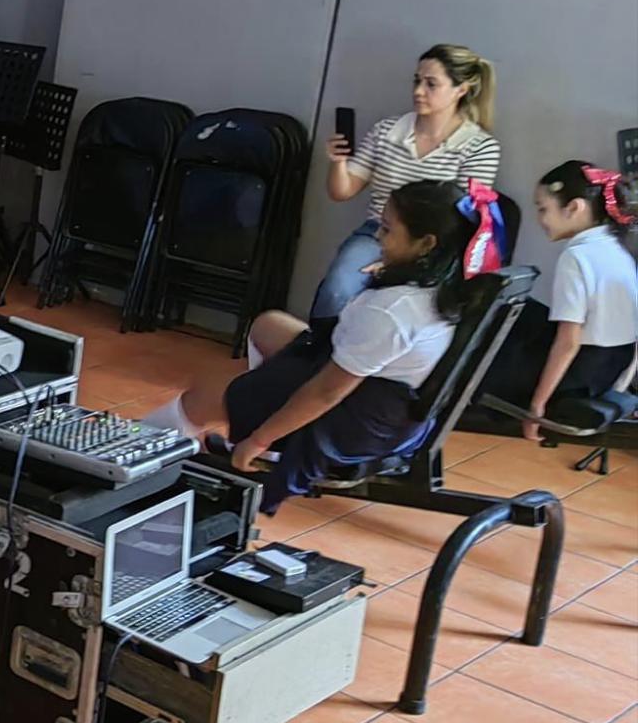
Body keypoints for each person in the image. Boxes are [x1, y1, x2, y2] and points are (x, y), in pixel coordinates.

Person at [146, 179, 488, 510]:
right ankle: (252, 414)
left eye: (387, 229)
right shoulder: (445, 285)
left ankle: (138, 452)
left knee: (203, 394)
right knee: (268, 325)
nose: (378, 237)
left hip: (352, 416)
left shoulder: (394, 311)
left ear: (426, 244)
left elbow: (327, 392)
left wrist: (259, 439)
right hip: (381, 394)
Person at [312, 44, 500, 325]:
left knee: (406, 309)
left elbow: (463, 218)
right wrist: (338, 161)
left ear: (461, 89)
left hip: (432, 245)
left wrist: (400, 262)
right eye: (417, 81)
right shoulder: (388, 130)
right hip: (379, 232)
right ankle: (313, 353)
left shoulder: (479, 146)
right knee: (338, 289)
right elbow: (342, 191)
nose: (418, 91)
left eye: (431, 84)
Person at [480, 160, 638, 436]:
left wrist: (536, 408)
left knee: (492, 327)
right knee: (522, 311)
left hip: (576, 377)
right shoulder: (617, 245)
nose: (540, 219)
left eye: (543, 209)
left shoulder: (576, 257)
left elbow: (568, 342)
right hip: (608, 367)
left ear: (574, 207)